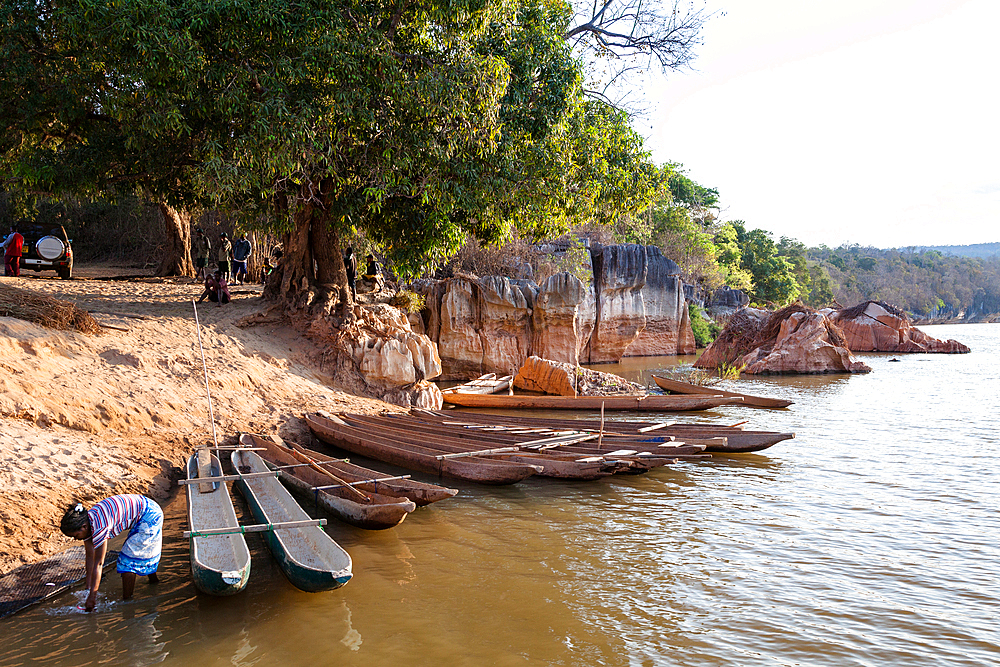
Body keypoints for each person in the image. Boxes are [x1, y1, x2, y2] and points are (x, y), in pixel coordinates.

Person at [60, 495, 163, 611]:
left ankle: (128, 604)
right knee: (140, 553)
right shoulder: (87, 521)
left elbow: (99, 563)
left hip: (149, 515)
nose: (75, 539)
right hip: (145, 508)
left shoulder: (99, 527)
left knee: (128, 562)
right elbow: (90, 556)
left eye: (75, 536)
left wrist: (92, 597)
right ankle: (154, 583)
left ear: (83, 527)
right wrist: (87, 590)